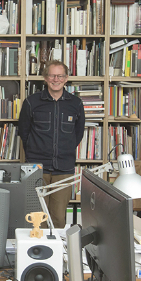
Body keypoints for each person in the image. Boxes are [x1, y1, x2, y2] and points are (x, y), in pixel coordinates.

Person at [18, 60, 85, 228]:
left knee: (58, 219)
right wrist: (34, 153)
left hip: (64, 169)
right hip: (37, 168)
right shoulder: (31, 102)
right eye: (52, 76)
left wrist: (64, 151)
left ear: (66, 78)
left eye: (60, 76)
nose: (56, 79)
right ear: (45, 78)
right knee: (36, 218)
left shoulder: (76, 104)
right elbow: (24, 133)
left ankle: (56, 246)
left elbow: (78, 134)